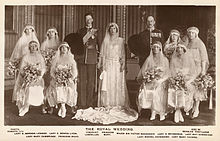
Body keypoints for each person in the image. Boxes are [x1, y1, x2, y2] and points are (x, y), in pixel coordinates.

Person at [72, 23, 138, 124]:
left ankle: (117, 103)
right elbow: (102, 55)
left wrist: (122, 64)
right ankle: (107, 103)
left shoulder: (121, 41)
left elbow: (123, 54)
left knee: (116, 84)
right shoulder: (105, 41)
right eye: (111, 28)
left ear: (117, 30)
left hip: (117, 65)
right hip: (108, 65)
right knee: (107, 85)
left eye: (115, 28)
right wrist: (102, 66)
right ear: (109, 30)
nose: (113, 30)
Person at [137, 41, 169, 121]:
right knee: (150, 89)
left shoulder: (165, 59)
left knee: (158, 90)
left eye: (157, 47)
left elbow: (167, 73)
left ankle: (161, 112)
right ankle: (153, 111)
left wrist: (160, 80)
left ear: (160, 49)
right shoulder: (149, 59)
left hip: (161, 80)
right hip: (151, 80)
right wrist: (148, 77)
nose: (155, 49)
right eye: (154, 47)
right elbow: (144, 71)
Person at [12, 41, 46, 116]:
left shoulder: (40, 57)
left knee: (35, 87)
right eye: (32, 46)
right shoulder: (26, 57)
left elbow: (43, 68)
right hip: (27, 77)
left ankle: (36, 105)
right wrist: (27, 75)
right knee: (28, 87)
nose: (33, 48)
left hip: (37, 78)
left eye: (35, 46)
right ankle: (26, 106)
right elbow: (22, 69)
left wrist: (39, 76)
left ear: (37, 47)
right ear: (29, 47)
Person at [46, 42, 78, 118]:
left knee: (68, 88)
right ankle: (63, 107)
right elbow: (52, 71)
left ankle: (62, 107)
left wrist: (69, 78)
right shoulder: (56, 59)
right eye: (62, 48)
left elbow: (74, 71)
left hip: (68, 79)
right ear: (60, 49)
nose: (63, 49)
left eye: (65, 48)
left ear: (68, 49)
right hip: (58, 79)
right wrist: (57, 78)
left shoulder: (71, 59)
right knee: (58, 87)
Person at [168, 43, 197, 123]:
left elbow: (193, 73)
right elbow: (171, 72)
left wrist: (187, 81)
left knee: (186, 90)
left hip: (187, 81)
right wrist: (175, 80)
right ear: (176, 50)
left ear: (184, 50)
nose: (180, 50)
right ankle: (177, 111)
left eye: (181, 48)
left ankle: (178, 111)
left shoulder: (190, 60)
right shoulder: (173, 60)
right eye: (178, 48)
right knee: (174, 90)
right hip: (176, 80)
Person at [76, 13, 99, 108]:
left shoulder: (96, 31)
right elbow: (78, 43)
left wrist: (99, 58)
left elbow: (100, 45)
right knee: (82, 82)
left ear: (92, 20)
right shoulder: (80, 31)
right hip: (82, 59)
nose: (88, 20)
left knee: (91, 82)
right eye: (87, 19)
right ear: (85, 20)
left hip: (92, 59)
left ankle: (89, 103)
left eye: (90, 19)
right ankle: (82, 103)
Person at [185, 27, 209, 118]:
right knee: (190, 87)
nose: (191, 34)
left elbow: (203, 58)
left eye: (192, 33)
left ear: (196, 34)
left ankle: (197, 108)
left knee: (197, 87)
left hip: (197, 68)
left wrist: (203, 70)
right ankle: (191, 107)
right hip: (189, 68)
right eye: (189, 33)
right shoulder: (188, 44)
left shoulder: (200, 44)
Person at [40, 27, 60, 114]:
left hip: (55, 68)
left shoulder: (59, 44)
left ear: (55, 34)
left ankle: (52, 104)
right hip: (47, 67)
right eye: (50, 32)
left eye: (53, 32)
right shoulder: (44, 44)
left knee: (54, 86)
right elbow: (41, 56)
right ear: (48, 34)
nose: (51, 34)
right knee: (46, 86)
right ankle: (44, 105)